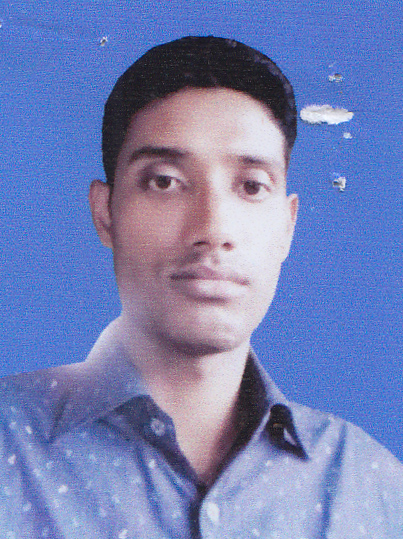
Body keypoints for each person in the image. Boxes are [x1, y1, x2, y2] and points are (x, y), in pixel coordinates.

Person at [1, 36, 402, 539]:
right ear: (105, 213)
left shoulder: (370, 488)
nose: (213, 228)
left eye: (251, 186)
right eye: (165, 181)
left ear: (287, 226)